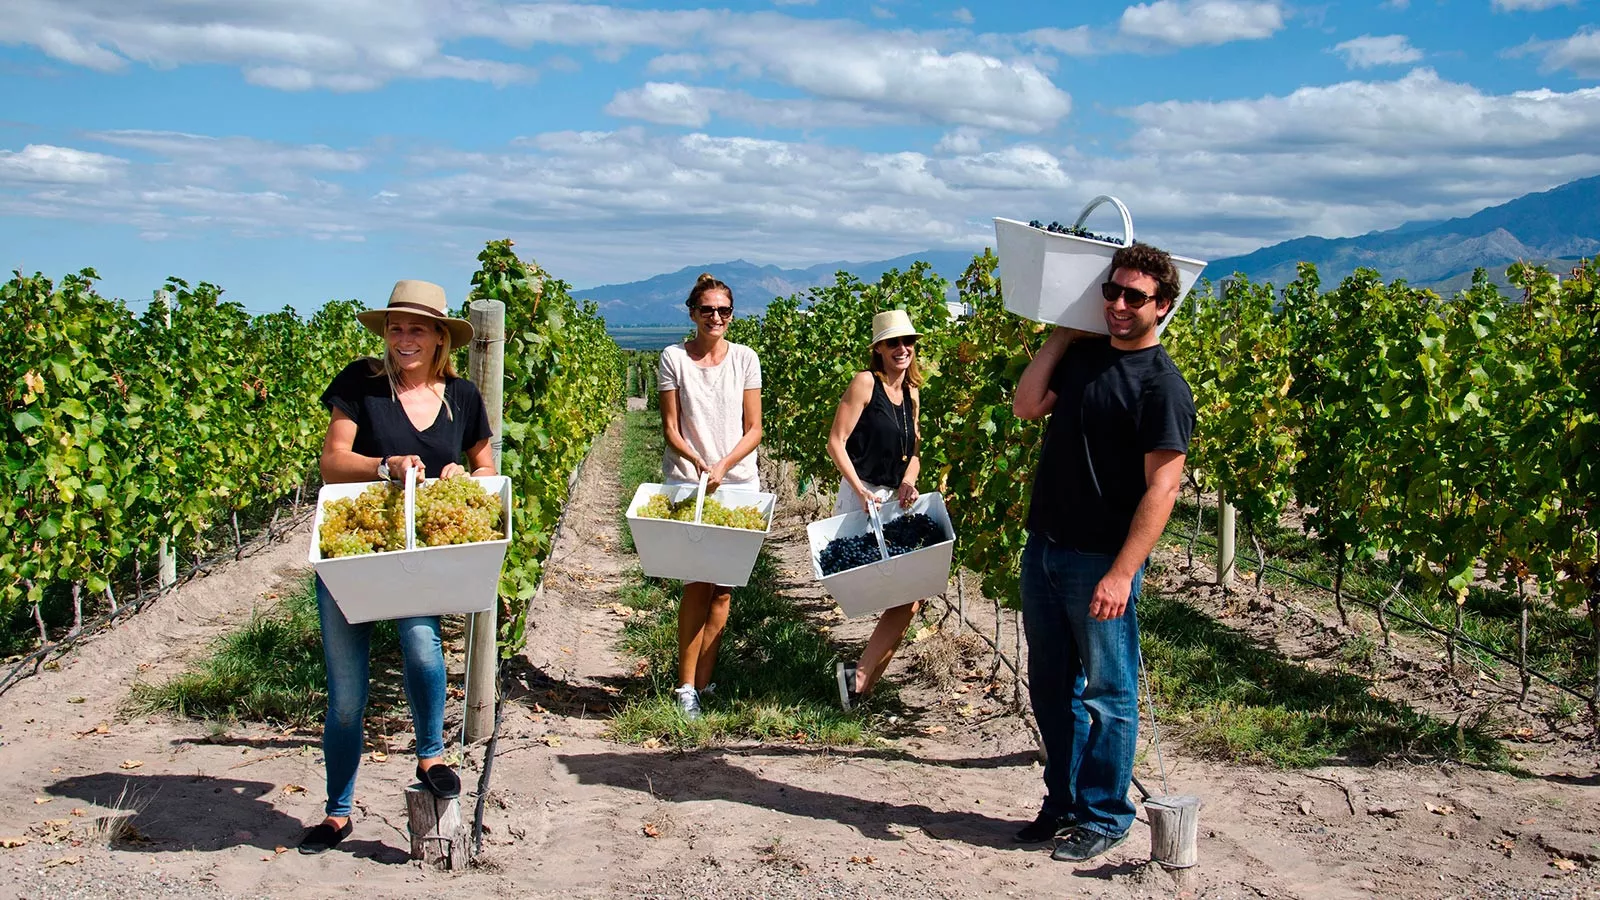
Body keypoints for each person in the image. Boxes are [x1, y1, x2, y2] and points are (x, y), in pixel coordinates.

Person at [1009, 244, 1195, 863]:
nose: (1117, 304)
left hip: (1099, 562)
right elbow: (1026, 405)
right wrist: (1063, 332)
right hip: (1045, 549)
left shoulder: (1163, 386)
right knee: (1050, 686)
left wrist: (1122, 572)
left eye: (1134, 296)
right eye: (1111, 291)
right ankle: (1062, 801)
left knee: (1108, 695)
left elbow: (1163, 489)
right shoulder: (1084, 357)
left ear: (1162, 306)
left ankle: (1105, 815)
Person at [300, 280, 496, 855]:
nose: (404, 338)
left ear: (439, 337)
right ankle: (338, 813)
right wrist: (384, 466)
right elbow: (332, 462)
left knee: (422, 647)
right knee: (346, 697)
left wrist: (465, 476)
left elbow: (486, 468)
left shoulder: (462, 396)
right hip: (354, 548)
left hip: (417, 551)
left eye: (417, 329)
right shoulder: (360, 384)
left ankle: (430, 755)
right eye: (395, 328)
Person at [657, 273, 763, 721]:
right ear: (693, 313)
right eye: (707, 310)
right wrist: (699, 462)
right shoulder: (673, 358)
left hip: (737, 483)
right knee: (696, 584)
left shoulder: (745, 359)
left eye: (723, 310)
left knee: (723, 588)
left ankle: (704, 682)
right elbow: (670, 427)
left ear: (731, 315)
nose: (715, 317)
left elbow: (754, 428)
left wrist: (723, 465)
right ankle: (684, 687)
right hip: (689, 481)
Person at [826, 309, 925, 711]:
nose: (902, 348)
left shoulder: (913, 393)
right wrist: (860, 491)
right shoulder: (866, 383)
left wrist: (909, 480)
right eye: (892, 343)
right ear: (879, 349)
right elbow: (835, 442)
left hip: (893, 504)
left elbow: (914, 451)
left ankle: (858, 683)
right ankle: (858, 685)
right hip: (861, 499)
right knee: (896, 593)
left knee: (911, 595)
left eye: (908, 341)